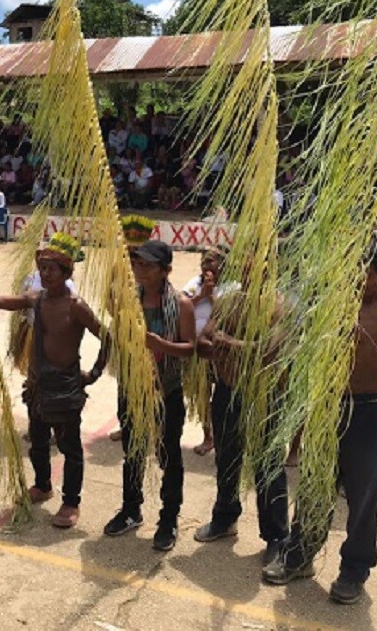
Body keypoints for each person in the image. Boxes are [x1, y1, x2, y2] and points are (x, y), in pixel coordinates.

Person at [263, 242, 377, 605]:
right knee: (315, 485)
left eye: (362, 274)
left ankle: (354, 570)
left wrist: (361, 341)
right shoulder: (332, 302)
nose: (354, 279)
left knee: (363, 494)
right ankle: (299, 556)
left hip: (368, 408)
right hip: (327, 406)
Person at [0, 234, 109, 529]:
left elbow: (107, 337)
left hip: (66, 385)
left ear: (66, 273)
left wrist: (94, 374)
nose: (45, 274)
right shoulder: (37, 299)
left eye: (52, 269)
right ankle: (43, 485)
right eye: (42, 269)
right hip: (38, 385)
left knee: (70, 447)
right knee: (38, 442)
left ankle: (71, 501)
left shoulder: (77, 306)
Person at [104, 240, 195, 551]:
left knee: (169, 455)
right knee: (133, 451)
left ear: (165, 270)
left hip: (166, 391)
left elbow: (190, 348)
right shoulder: (131, 300)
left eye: (147, 265)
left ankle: (168, 520)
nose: (140, 269)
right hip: (132, 388)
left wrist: (160, 344)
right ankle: (131, 510)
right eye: (137, 263)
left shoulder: (181, 303)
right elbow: (110, 306)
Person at [194, 269, 289, 565]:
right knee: (227, 458)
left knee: (268, 467)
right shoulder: (228, 301)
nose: (248, 274)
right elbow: (203, 342)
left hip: (262, 395)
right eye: (244, 267)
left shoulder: (280, 306)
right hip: (226, 389)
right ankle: (224, 517)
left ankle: (276, 536)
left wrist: (227, 343)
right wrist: (227, 345)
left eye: (254, 266)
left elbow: (267, 352)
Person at [182, 246, 232, 456]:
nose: (206, 266)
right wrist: (202, 294)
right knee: (201, 393)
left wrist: (211, 297)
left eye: (211, 261)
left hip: (220, 353)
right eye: (204, 261)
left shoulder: (232, 288)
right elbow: (181, 305)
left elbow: (229, 313)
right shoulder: (194, 284)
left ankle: (224, 438)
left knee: (223, 396)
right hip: (197, 349)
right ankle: (207, 436)